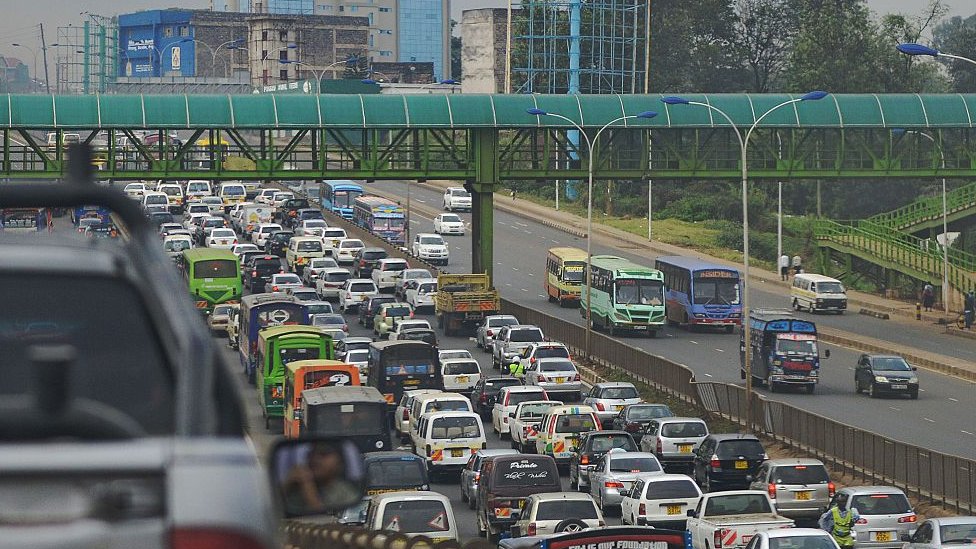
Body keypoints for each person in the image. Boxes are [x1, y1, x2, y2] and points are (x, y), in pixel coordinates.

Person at [281, 443, 360, 514]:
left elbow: (324, 519)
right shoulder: (297, 486)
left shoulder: (347, 494)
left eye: (324, 454)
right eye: (311, 454)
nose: (315, 459)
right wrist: (287, 484)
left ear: (340, 462)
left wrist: (309, 488)